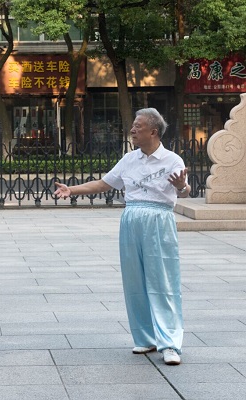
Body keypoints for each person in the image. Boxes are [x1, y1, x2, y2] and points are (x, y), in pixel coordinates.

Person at [53, 108, 190, 366]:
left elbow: (184, 191)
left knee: (163, 281)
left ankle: (170, 343)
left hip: (158, 220)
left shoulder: (172, 160)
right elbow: (105, 184)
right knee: (134, 282)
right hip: (131, 220)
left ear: (154, 131)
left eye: (138, 126)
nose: (132, 130)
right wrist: (72, 190)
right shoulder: (129, 159)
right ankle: (146, 337)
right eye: (133, 126)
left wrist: (181, 186)